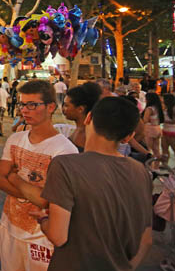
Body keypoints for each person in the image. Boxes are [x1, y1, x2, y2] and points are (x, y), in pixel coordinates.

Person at [36, 97, 152, 270]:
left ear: (88, 118)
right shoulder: (140, 171)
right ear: (128, 137)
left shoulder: (65, 165)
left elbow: (58, 236)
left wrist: (43, 219)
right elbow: (147, 240)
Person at [0, 80, 78, 271]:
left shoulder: (65, 151)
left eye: (32, 105)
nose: (25, 110)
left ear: (50, 107)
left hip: (42, 238)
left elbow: (49, 202)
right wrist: (36, 194)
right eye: (23, 104)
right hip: (9, 228)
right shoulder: (15, 139)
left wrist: (14, 179)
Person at [61, 82, 102, 152]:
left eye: (66, 105)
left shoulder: (86, 134)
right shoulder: (82, 130)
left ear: (80, 109)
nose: (63, 109)